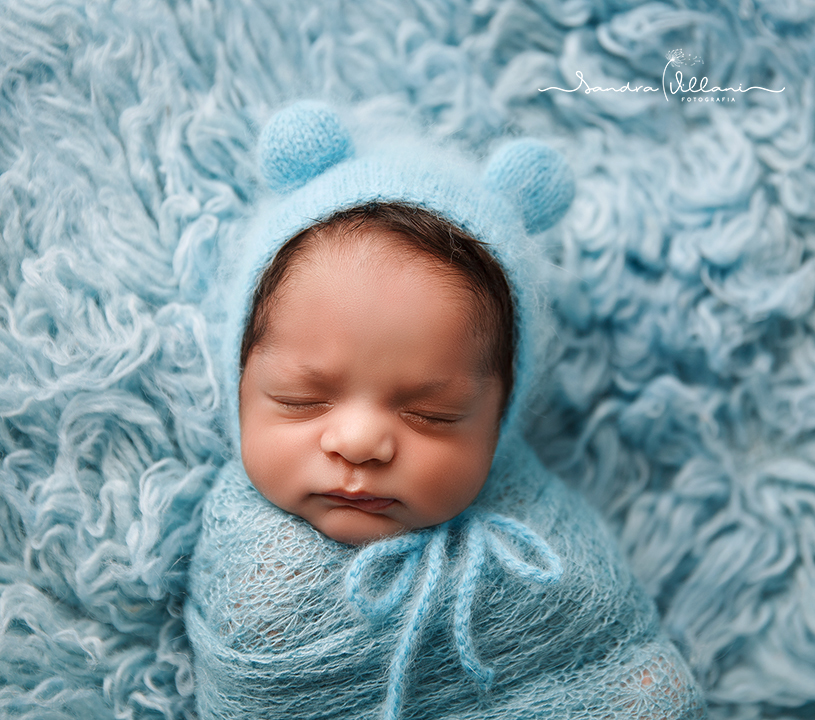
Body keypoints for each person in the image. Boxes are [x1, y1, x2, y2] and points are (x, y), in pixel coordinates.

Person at [186, 101, 707, 720]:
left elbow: (628, 677)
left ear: (499, 424)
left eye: (431, 414)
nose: (358, 442)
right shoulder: (243, 553)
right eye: (302, 401)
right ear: (241, 383)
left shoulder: (546, 557)